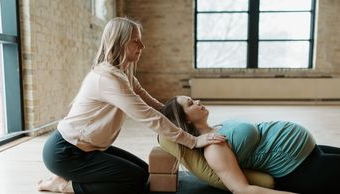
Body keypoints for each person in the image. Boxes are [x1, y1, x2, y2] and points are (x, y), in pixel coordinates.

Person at [37, 17, 226, 194]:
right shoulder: (107, 78)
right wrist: (192, 141)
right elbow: (148, 115)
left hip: (87, 148)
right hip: (66, 152)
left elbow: (149, 101)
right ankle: (66, 185)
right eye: (136, 41)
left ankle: (65, 177)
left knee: (145, 172)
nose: (142, 46)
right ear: (120, 42)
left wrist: (179, 114)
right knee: (134, 180)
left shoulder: (123, 74)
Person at [160, 95, 340, 194]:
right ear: (186, 119)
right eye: (190, 103)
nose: (197, 101)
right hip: (301, 169)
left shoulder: (215, 129)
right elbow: (241, 189)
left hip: (311, 153)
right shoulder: (213, 148)